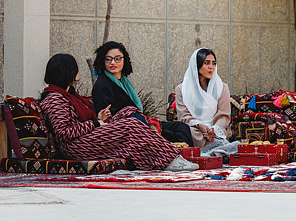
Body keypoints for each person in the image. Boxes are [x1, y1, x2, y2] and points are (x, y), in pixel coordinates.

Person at [38, 53, 198, 171]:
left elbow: (79, 120)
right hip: (75, 146)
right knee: (130, 125)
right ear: (68, 73)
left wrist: (99, 117)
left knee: (128, 111)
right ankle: (168, 159)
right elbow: (64, 133)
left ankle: (162, 154)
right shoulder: (55, 98)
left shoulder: (69, 94)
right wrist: (96, 123)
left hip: (85, 137)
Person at [91, 41, 192, 145]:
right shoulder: (102, 84)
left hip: (140, 123)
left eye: (117, 58)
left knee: (181, 127)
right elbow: (110, 116)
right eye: (108, 59)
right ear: (103, 61)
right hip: (126, 130)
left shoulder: (124, 81)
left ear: (124, 60)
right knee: (177, 136)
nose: (113, 62)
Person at [175, 48, 233, 149]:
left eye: (214, 63)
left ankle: (218, 147)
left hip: (216, 129)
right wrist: (199, 125)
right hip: (195, 130)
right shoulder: (181, 89)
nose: (211, 67)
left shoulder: (222, 87)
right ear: (196, 65)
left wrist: (214, 129)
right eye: (206, 63)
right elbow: (183, 116)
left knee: (222, 133)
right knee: (186, 131)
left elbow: (224, 115)